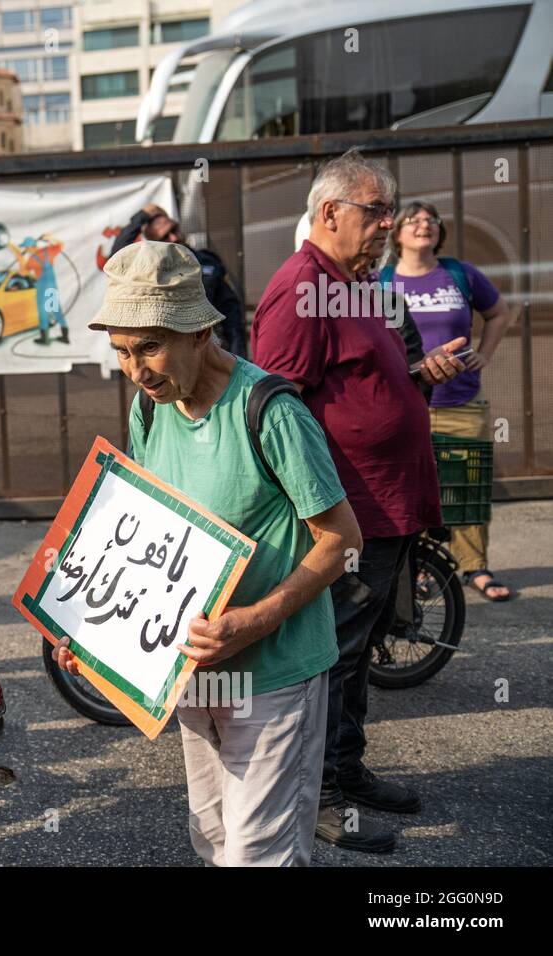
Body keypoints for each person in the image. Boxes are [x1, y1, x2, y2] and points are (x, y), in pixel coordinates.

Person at [57, 241, 362, 866]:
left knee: (261, 854)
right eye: (121, 351)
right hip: (192, 672)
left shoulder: (269, 411)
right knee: (217, 837)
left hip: (275, 671)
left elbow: (341, 541)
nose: (135, 370)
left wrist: (254, 619)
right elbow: (144, 534)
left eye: (148, 348)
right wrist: (88, 632)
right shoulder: (150, 408)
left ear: (200, 332)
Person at [251, 148, 467, 854]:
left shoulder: (353, 285)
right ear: (330, 213)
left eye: (390, 212)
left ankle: (347, 770)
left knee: (360, 648)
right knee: (334, 656)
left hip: (385, 506)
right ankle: (321, 797)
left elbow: (369, 380)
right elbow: (273, 410)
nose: (389, 224)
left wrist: (417, 375)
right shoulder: (300, 287)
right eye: (377, 211)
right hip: (349, 512)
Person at [382, 200, 515, 601]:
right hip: (409, 406)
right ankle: (420, 570)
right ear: (398, 233)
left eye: (431, 220)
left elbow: (500, 314)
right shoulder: (382, 282)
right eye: (414, 220)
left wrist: (485, 356)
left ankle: (475, 568)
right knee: (416, 487)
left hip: (462, 400)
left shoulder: (460, 273)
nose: (424, 225)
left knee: (468, 484)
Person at [110, 208, 246, 357]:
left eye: (174, 230)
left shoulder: (206, 261)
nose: (174, 238)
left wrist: (238, 358)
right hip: (169, 351)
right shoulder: (149, 270)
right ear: (154, 244)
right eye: (165, 237)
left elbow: (231, 312)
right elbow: (117, 257)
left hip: (208, 345)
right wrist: (141, 216)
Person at [10, 234, 68, 345]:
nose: (25, 250)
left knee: (42, 311)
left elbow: (24, 272)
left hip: (42, 286)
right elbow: (61, 245)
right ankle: (65, 336)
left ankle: (44, 338)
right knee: (56, 309)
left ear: (30, 247)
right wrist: (50, 238)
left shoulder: (31, 259)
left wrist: (20, 259)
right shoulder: (48, 251)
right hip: (52, 285)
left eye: (26, 248)